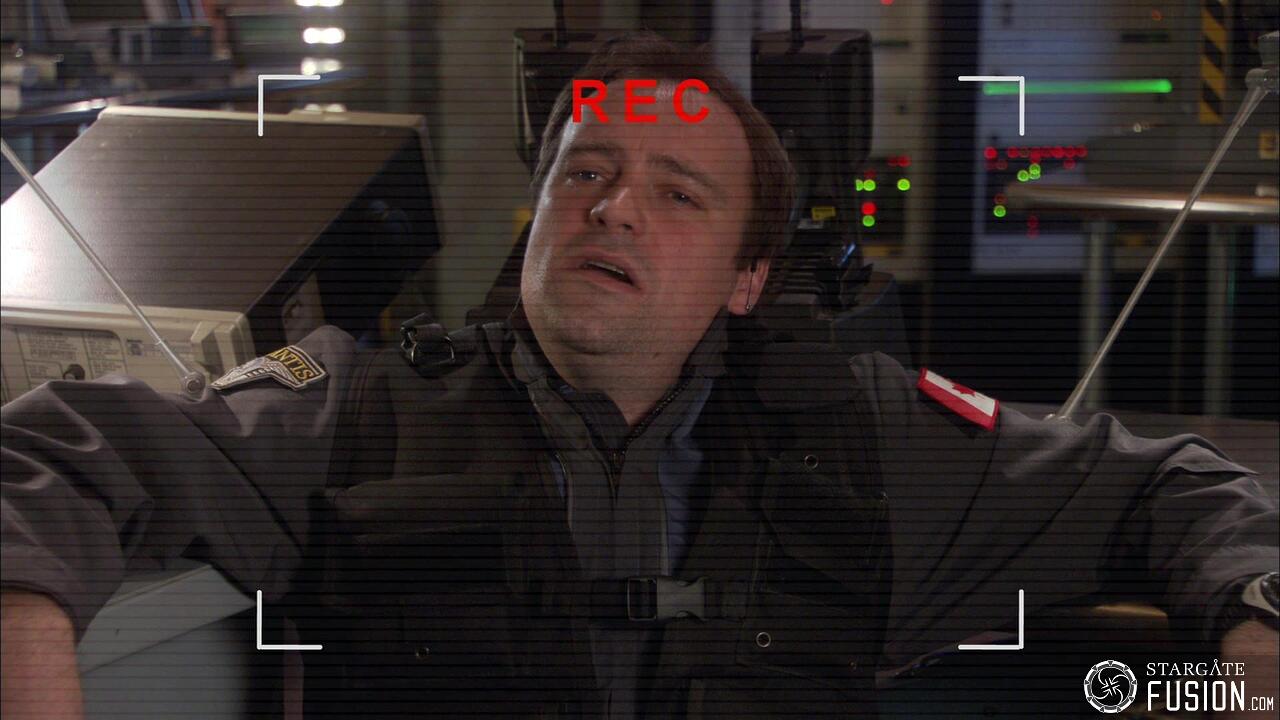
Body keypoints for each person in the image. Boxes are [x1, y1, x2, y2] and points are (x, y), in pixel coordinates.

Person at [2, 33, 1277, 720]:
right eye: (586, 174)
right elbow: (53, 458)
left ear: (744, 278)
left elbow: (1175, 489)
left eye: (675, 193)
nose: (612, 208)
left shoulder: (868, 442)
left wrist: (1249, 639)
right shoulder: (355, 411)